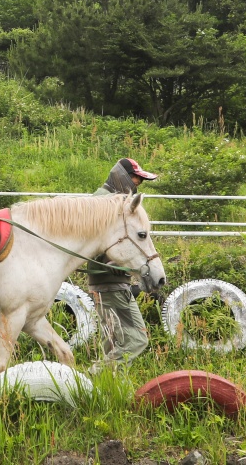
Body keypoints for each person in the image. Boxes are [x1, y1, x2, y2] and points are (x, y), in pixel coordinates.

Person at [87, 158, 158, 374]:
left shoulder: (108, 200)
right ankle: (95, 374)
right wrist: (113, 263)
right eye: (137, 179)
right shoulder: (106, 202)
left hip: (106, 282)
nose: (138, 185)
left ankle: (108, 386)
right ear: (124, 177)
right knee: (137, 339)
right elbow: (94, 241)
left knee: (112, 341)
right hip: (111, 282)